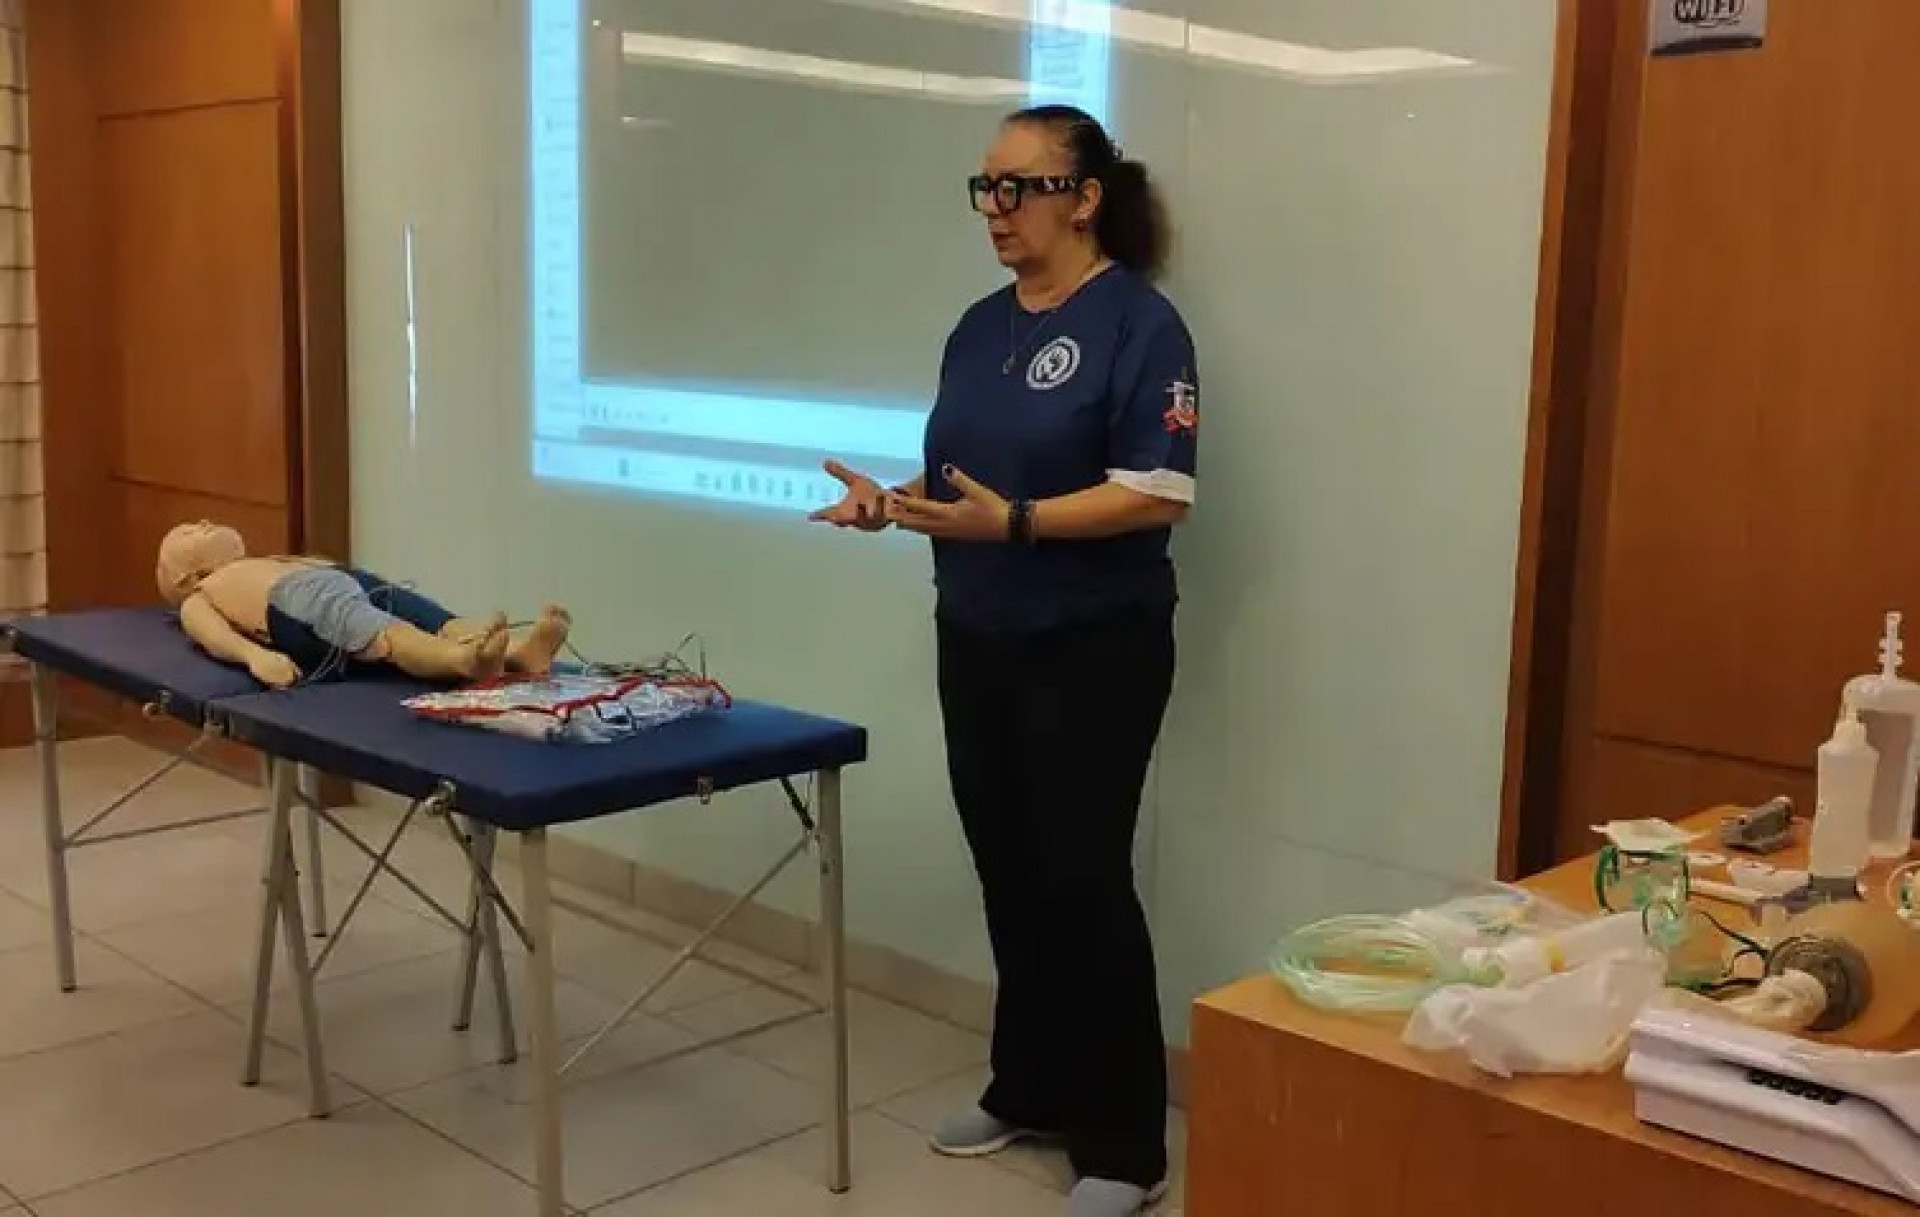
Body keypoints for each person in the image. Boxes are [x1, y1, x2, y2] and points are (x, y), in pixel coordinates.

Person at [809, 104, 1197, 1217]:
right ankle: (1028, 1084)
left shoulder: (1141, 324)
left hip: (1096, 642)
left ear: (1084, 194)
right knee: (1010, 867)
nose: (996, 209)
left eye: (1017, 186)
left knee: (1083, 877)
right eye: (983, 188)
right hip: (975, 630)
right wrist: (892, 503)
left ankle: (1123, 1145)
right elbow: (963, 485)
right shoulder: (980, 325)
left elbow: (1156, 488)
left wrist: (1018, 524)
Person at [156, 519, 573, 687]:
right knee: (387, 632)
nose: (205, 523)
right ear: (185, 577)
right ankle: (461, 662)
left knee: (422, 611)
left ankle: (517, 654)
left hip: (334, 581)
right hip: (298, 603)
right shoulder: (203, 594)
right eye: (191, 531)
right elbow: (206, 631)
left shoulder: (258, 562)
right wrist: (254, 658)